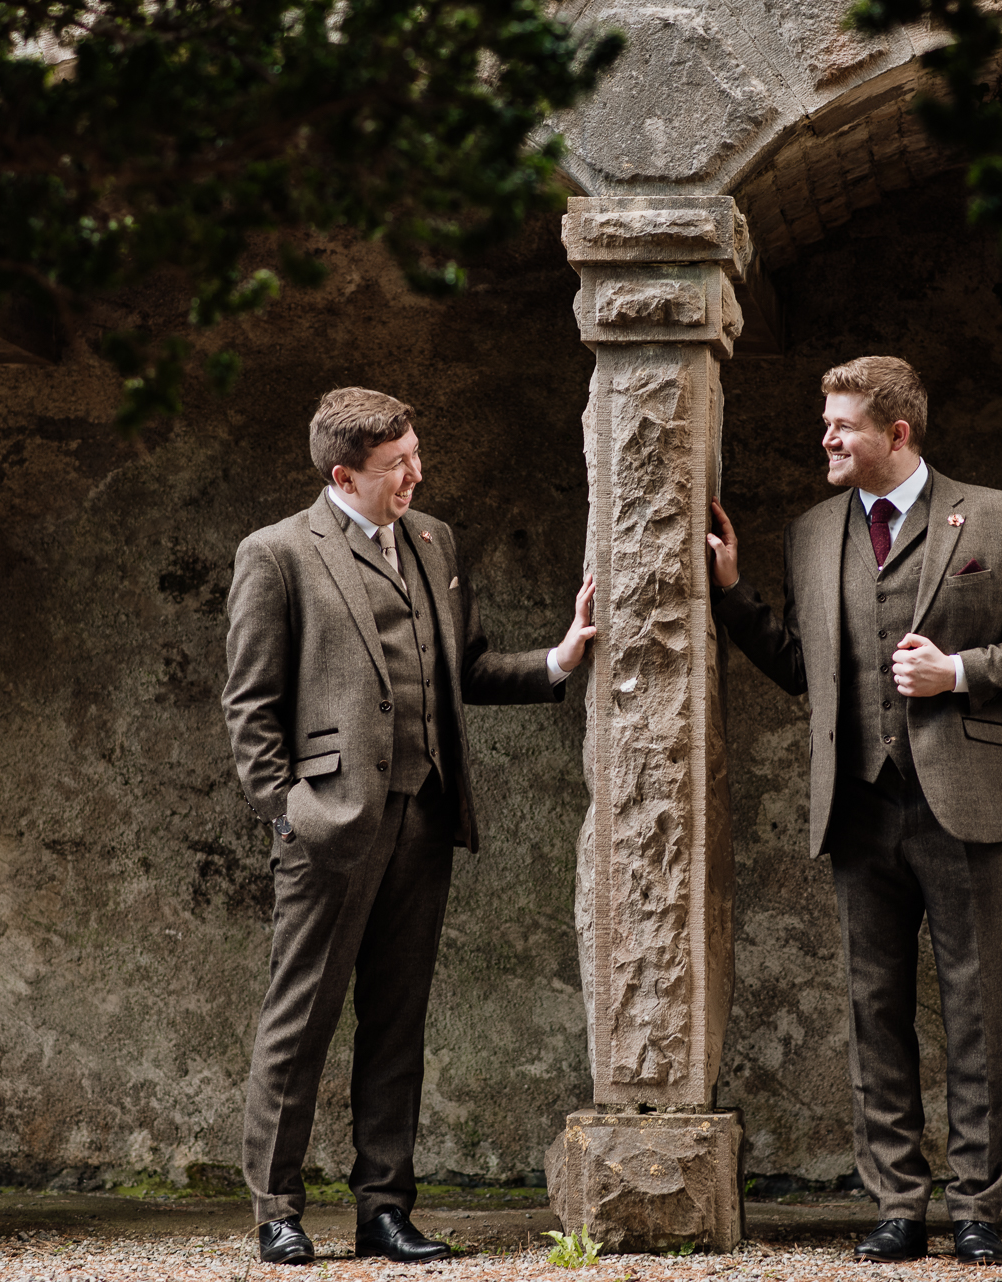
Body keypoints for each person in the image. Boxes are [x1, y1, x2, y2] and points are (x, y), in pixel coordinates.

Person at [707, 356, 1002, 1265]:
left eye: (842, 426)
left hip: (966, 801)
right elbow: (803, 668)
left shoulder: (995, 515)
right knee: (875, 1008)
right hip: (859, 803)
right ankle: (898, 1205)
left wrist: (960, 672)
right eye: (825, 425)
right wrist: (730, 595)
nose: (825, 439)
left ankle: (979, 1207)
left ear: (897, 434)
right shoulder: (810, 531)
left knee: (975, 1007)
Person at [221, 386, 596, 1266]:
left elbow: (461, 668)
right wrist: (291, 814)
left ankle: (383, 1208)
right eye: (398, 466)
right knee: (300, 1020)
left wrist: (559, 658)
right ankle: (277, 1208)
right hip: (328, 827)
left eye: (416, 455)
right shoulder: (276, 554)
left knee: (398, 1021)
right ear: (344, 474)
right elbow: (248, 708)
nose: (416, 474)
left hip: (424, 817)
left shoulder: (433, 540)